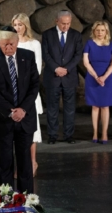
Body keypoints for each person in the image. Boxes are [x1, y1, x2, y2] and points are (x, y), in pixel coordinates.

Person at [0, 26, 39, 194]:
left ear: (17, 41)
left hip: (25, 118)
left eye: (12, 44)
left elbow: (34, 85)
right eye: (5, 44)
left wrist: (23, 109)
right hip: (1, 120)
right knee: (4, 164)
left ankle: (26, 202)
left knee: (25, 164)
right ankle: (6, 203)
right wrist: (11, 111)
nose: (8, 48)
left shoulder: (28, 57)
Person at [42, 10, 83, 144]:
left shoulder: (76, 35)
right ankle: (52, 135)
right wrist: (56, 68)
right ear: (56, 21)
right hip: (52, 77)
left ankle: (68, 135)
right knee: (52, 109)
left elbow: (78, 55)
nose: (66, 26)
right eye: (63, 23)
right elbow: (45, 54)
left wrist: (66, 69)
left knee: (70, 109)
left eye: (68, 23)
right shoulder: (47, 35)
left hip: (69, 77)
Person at [11, 13, 42, 177]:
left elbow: (36, 70)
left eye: (20, 24)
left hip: (29, 92)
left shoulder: (34, 44)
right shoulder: (10, 43)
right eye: (15, 24)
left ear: (26, 26)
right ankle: (20, 164)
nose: (17, 28)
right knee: (16, 129)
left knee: (31, 129)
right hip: (14, 93)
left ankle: (32, 162)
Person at [83, 21, 112, 144]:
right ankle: (95, 133)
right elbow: (86, 62)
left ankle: (104, 133)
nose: (100, 33)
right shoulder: (89, 43)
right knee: (95, 106)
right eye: (98, 30)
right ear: (94, 31)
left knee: (105, 106)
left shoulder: (111, 45)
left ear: (106, 31)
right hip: (92, 77)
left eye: (102, 30)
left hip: (107, 79)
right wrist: (96, 76)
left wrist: (103, 77)